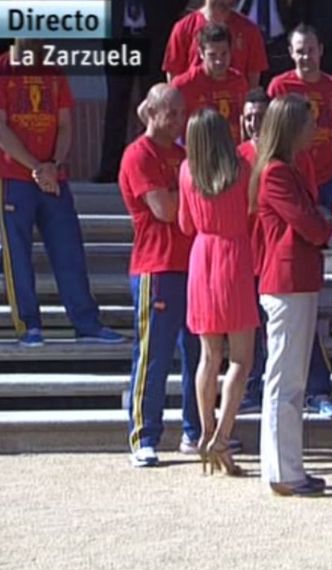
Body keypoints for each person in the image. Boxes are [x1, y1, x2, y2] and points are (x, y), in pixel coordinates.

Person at [0, 39, 124, 348]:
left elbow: (66, 125)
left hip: (54, 178)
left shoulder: (54, 69)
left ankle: (87, 323)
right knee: (17, 255)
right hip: (14, 178)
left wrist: (54, 165)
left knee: (69, 249)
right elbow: (1, 129)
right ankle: (28, 326)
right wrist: (36, 167)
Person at [253, 94, 332, 497]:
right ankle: (282, 471)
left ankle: (288, 467)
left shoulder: (289, 168)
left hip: (297, 280)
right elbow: (309, 225)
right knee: (284, 381)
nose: (313, 130)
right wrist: (325, 225)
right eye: (306, 123)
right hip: (286, 282)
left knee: (292, 381)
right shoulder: (276, 173)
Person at [119, 84, 201, 468]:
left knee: (196, 353)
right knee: (154, 356)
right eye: (172, 113)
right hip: (157, 265)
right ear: (152, 113)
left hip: (190, 265)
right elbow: (166, 210)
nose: (179, 120)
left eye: (181, 113)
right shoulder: (139, 155)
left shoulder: (183, 155)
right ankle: (144, 435)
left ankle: (194, 430)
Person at [178, 108, 259, 476]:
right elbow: (253, 212)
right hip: (234, 254)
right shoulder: (242, 170)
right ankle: (223, 434)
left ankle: (206, 431)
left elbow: (184, 223)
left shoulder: (186, 171)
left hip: (202, 256)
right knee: (241, 358)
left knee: (208, 357)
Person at [268, 25, 332, 212]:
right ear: (291, 53)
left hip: (330, 180)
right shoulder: (279, 87)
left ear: (321, 50)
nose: (306, 57)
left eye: (311, 50)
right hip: (295, 178)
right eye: (300, 52)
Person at [94, 0, 188, 183]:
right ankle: (110, 168)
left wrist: (166, 17)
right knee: (116, 102)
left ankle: (155, 165)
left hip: (154, 36)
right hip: (120, 36)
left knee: (155, 104)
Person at [171, 24, 249, 144]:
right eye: (212, 55)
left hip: (231, 153)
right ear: (201, 53)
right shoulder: (183, 84)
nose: (219, 61)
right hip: (198, 155)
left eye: (224, 54)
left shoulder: (238, 81)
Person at [164, 0, 268, 88]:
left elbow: (253, 81)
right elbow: (173, 77)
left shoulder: (249, 30)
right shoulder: (183, 28)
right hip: (196, 106)